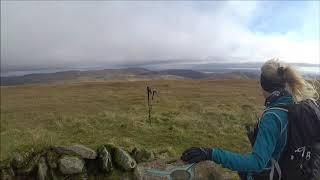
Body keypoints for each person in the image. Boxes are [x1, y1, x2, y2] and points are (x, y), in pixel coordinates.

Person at [180, 58, 319, 180]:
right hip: (301, 169)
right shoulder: (297, 103)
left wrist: (211, 153)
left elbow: (257, 163)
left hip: (276, 174)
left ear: (263, 86)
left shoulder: (273, 117)